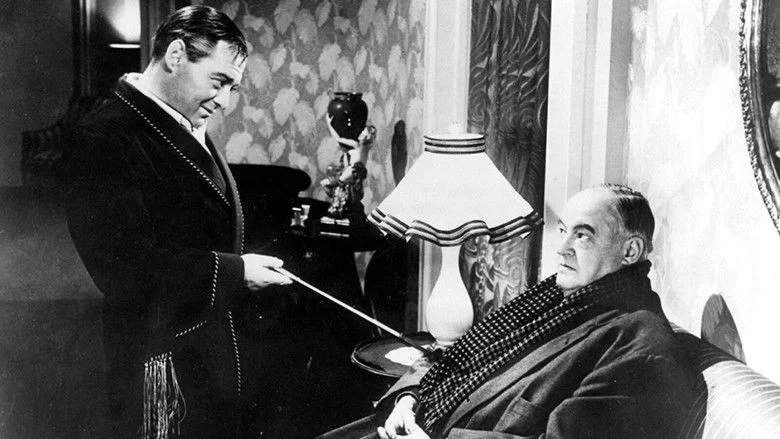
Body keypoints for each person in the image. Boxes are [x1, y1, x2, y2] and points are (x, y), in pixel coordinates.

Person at [65, 6, 292, 438]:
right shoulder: (103, 136)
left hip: (203, 348)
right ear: (175, 55)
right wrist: (236, 271)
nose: (224, 101)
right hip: (157, 356)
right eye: (218, 82)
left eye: (232, 88)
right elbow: (121, 269)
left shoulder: (178, 118)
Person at [340, 184, 697, 438]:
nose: (562, 248)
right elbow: (451, 357)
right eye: (564, 230)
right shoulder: (553, 299)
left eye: (583, 235)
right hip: (407, 420)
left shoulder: (640, 347)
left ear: (631, 251)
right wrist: (406, 400)